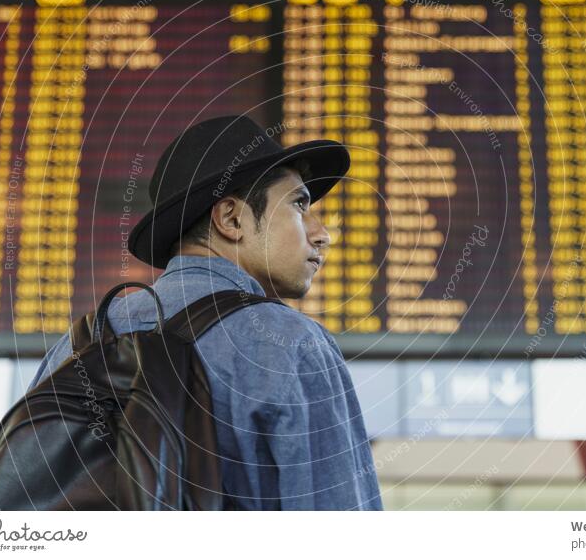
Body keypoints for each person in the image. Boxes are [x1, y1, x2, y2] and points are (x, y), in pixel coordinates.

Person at [28, 115, 383, 510]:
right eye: (300, 205)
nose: (321, 233)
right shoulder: (292, 346)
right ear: (232, 219)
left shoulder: (77, 344)